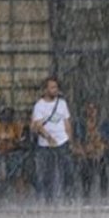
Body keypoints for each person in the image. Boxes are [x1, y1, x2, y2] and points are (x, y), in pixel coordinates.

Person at [30, 76, 73, 205]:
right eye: (52, 87)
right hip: (46, 145)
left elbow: (67, 122)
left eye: (56, 87)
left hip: (62, 142)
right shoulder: (39, 105)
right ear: (45, 90)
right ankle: (48, 200)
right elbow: (37, 125)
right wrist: (48, 137)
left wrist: (70, 140)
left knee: (67, 170)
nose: (55, 90)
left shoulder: (62, 103)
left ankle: (68, 197)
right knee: (47, 173)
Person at [72, 102, 109, 204]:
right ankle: (86, 197)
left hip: (100, 154)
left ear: (97, 111)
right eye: (89, 109)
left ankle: (104, 197)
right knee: (86, 173)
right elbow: (76, 140)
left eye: (93, 109)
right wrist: (82, 150)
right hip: (87, 154)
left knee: (103, 173)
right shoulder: (81, 124)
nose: (91, 111)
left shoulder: (103, 124)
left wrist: (108, 144)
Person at [0, 107, 27, 196]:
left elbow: (22, 143)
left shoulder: (16, 126)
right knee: (1, 173)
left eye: (8, 117)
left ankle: (21, 195)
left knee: (18, 174)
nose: (5, 119)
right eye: (4, 116)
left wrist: (13, 142)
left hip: (13, 153)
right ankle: (0, 193)